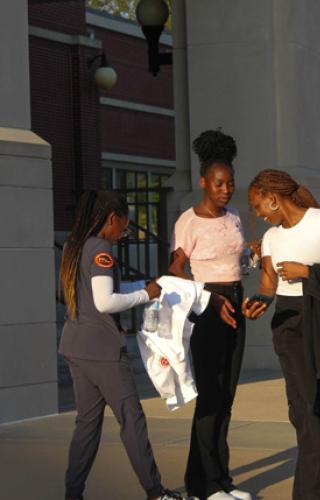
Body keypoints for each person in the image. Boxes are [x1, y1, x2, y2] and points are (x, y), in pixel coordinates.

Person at [59, 190, 187, 500]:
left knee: (87, 425)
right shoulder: (102, 249)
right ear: (112, 219)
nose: (123, 234)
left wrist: (146, 287)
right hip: (102, 350)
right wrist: (146, 295)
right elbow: (105, 301)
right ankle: (156, 493)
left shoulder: (74, 248)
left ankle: (72, 494)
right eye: (124, 227)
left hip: (76, 346)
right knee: (132, 419)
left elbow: (100, 291)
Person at [242, 169, 320, 500]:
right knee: (305, 408)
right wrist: (259, 302)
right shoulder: (270, 238)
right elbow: (268, 283)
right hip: (289, 323)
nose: (258, 213)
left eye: (257, 205)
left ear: (272, 197)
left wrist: (307, 272)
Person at [168, 130, 251, 500]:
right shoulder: (189, 221)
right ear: (204, 181)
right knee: (210, 396)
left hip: (236, 301)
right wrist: (209, 297)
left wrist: (253, 257)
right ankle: (203, 485)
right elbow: (175, 270)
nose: (226, 190)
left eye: (230, 183)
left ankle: (221, 479)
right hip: (207, 308)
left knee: (228, 395)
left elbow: (236, 260)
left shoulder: (233, 216)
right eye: (219, 183)